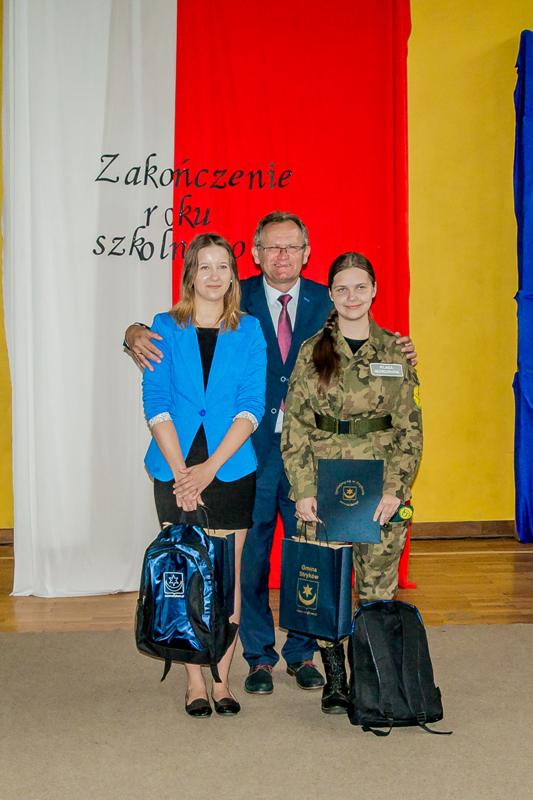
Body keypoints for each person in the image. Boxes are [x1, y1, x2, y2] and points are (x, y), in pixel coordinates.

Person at [125, 211, 417, 695]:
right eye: (272, 247)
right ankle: (258, 656)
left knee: (311, 553)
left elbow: (368, 341)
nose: (282, 256)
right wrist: (132, 332)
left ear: (307, 253)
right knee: (251, 558)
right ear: (256, 254)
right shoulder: (235, 297)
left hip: (314, 454)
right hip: (249, 450)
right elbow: (179, 328)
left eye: (292, 247)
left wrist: (400, 350)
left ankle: (303, 653)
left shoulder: (332, 298)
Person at [280, 251, 422, 714]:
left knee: (377, 587)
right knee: (327, 585)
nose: (352, 296)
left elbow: (410, 429)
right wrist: (303, 489)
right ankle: (336, 677)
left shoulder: (395, 351)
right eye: (342, 289)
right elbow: (296, 425)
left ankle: (372, 674)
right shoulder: (312, 351)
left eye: (361, 287)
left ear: (375, 290)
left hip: (380, 488)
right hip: (325, 485)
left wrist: (395, 489)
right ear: (331, 294)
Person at [142, 232, 266, 718]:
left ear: (233, 276)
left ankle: (221, 678)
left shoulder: (249, 330)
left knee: (227, 578)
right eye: (205, 266)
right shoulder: (163, 326)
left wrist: (209, 470)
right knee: (185, 575)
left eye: (223, 266)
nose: (214, 275)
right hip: (174, 467)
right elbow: (156, 401)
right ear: (190, 274)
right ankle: (194, 680)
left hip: (230, 469)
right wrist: (182, 474)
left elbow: (251, 406)